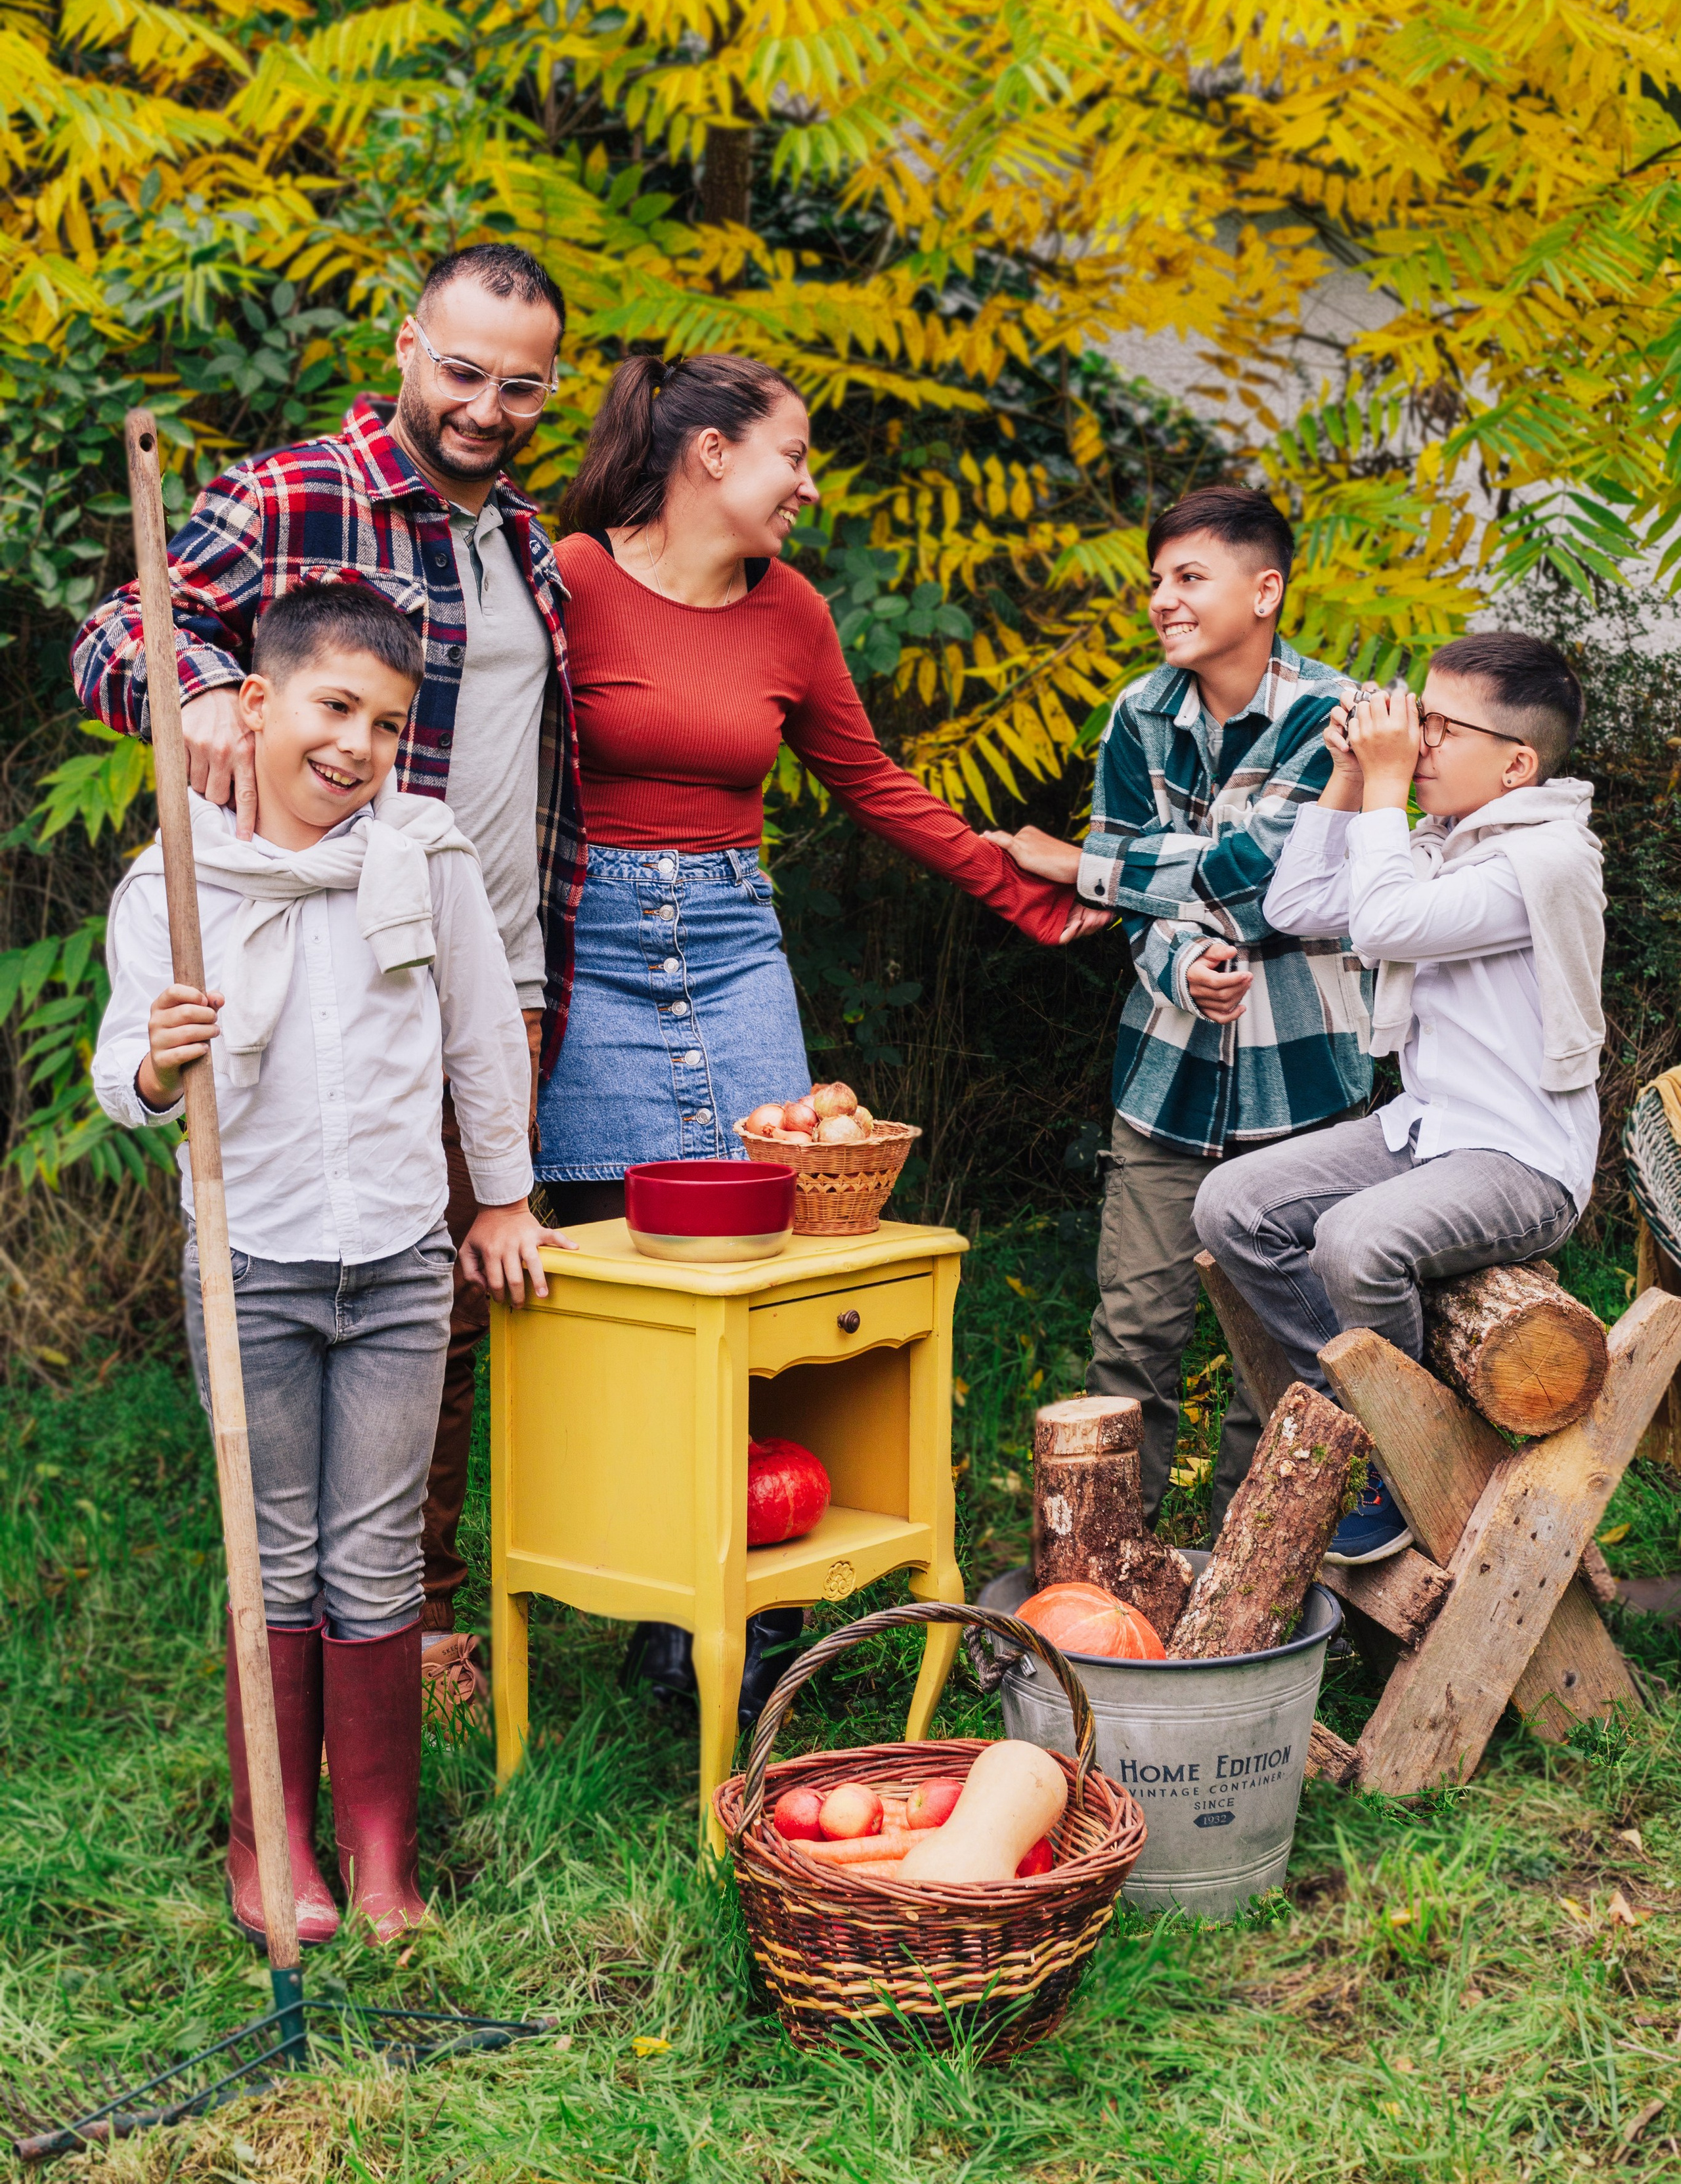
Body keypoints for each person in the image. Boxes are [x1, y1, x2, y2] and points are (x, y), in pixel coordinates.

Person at [538, 349, 1108, 1709]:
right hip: (587, 948)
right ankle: (644, 1570)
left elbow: (870, 783)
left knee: (776, 1263)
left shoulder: (787, 609)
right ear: (710, 456)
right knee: (627, 1284)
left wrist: (1022, 898)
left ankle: (739, 1606)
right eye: (791, 454)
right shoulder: (565, 578)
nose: (808, 484)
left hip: (733, 946)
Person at [72, 242, 584, 1723]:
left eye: (520, 384)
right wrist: (194, 710)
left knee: (449, 1287)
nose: (485, 404)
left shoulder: (524, 545)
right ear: (409, 346)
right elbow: (118, 630)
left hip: (486, 948)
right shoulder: (305, 490)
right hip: (323, 942)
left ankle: (401, 1616)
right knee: (318, 1266)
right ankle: (323, 1623)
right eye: (463, 369)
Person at [91, 587, 553, 1943]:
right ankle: (273, 1841)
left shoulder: (425, 857)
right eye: (333, 708)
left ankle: (379, 1846)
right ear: (256, 706)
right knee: (274, 1553)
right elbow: (124, 1076)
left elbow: (479, 1043)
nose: (357, 745)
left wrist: (505, 1201)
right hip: (254, 1265)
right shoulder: (176, 885)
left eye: (387, 724)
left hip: (401, 1262)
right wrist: (165, 1058)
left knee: (379, 1558)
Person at [987, 486, 1370, 1530]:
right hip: (1166, 1073)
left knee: (1278, 1359)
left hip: (1302, 1080)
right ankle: (1110, 1579)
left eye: (1188, 577)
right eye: (1156, 578)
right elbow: (1200, 897)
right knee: (1133, 1336)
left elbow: (1275, 879)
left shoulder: (1335, 717)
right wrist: (1179, 965)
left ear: (1267, 587)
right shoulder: (1137, 715)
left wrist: (1084, 865)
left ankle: (1249, 1589)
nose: (1162, 598)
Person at [1193, 630, 1601, 1564]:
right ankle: (1374, 1428)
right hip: (1427, 1132)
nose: (1415, 743)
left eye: (1440, 727)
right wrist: (1348, 777)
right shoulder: (1445, 842)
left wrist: (1382, 788)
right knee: (1233, 1206)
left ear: (1516, 764)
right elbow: (1296, 907)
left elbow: (1384, 924)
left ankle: (1409, 1459)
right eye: (1419, 719)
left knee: (1356, 1239)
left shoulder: (1539, 863)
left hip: (1522, 1160)